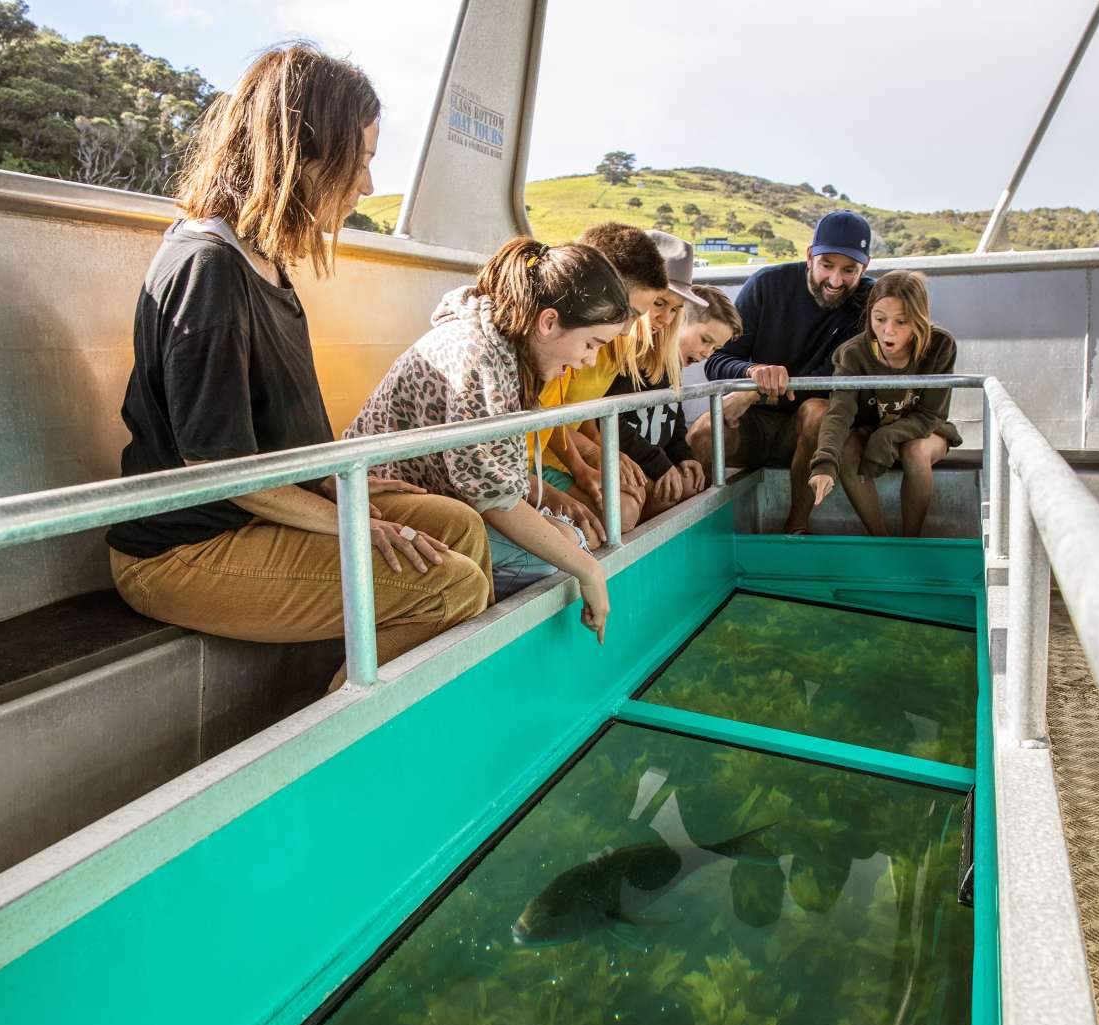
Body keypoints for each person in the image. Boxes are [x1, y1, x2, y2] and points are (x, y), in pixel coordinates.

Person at [105, 44, 492, 692]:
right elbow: (220, 467)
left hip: (255, 514)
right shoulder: (208, 270)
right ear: (301, 155)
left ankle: (431, 705)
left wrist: (340, 489)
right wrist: (354, 523)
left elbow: (275, 433)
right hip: (185, 549)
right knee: (449, 586)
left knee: (459, 524)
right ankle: (350, 737)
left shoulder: (265, 262)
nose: (368, 185)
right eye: (360, 161)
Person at [345, 236, 633, 636]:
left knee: (567, 537)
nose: (588, 360)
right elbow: (493, 499)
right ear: (549, 322)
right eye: (591, 344)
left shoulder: (502, 347)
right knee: (548, 560)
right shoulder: (478, 357)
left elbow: (493, 479)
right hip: (381, 507)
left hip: (438, 503)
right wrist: (590, 571)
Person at [687, 210, 875, 534]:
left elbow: (835, 381)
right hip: (752, 425)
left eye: (849, 270)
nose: (835, 281)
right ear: (809, 256)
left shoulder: (870, 302)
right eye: (827, 265)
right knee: (704, 431)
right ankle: (692, 534)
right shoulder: (767, 284)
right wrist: (753, 372)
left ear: (865, 267)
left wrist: (756, 392)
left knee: (819, 412)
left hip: (810, 430)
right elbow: (717, 361)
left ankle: (795, 530)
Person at [542, 228, 710, 532]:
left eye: (675, 310)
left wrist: (603, 450)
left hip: (569, 449)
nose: (666, 319)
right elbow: (545, 411)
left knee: (648, 494)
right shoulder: (581, 339)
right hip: (542, 456)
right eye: (658, 304)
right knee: (628, 507)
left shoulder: (620, 345)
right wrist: (597, 454)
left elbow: (586, 411)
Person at [808, 270, 962, 536]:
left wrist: (887, 436)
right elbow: (840, 412)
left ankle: (911, 542)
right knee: (847, 450)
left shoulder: (940, 345)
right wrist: (824, 464)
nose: (888, 330)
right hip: (870, 432)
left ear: (919, 319)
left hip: (926, 432)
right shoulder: (852, 353)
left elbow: (931, 414)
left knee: (915, 451)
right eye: (879, 319)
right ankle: (882, 540)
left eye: (901, 321)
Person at [606, 283, 743, 521]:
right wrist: (658, 464)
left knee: (689, 483)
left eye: (715, 347)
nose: (707, 353)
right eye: (705, 340)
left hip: (650, 460)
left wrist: (683, 455)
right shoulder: (635, 360)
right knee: (665, 493)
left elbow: (673, 418)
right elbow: (609, 421)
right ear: (680, 321)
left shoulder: (673, 368)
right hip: (627, 462)